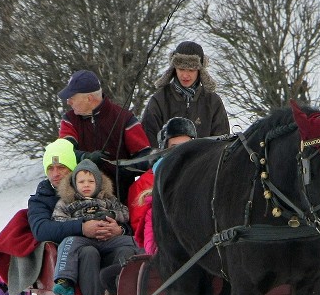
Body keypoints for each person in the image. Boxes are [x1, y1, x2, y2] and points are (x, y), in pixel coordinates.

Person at [29, 139, 130, 295]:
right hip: (73, 254)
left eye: (62, 167)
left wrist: (119, 230)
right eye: (50, 168)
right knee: (88, 253)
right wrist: (83, 228)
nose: (55, 173)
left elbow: (123, 216)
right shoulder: (42, 198)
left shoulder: (94, 190)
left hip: (108, 243)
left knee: (126, 248)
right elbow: (42, 229)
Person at [51, 159, 139, 295]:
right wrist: (80, 225)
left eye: (91, 181)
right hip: (84, 239)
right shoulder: (67, 202)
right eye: (81, 182)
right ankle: (64, 279)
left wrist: (115, 224)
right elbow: (58, 220)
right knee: (70, 243)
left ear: (99, 184)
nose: (86, 185)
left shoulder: (108, 199)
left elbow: (125, 213)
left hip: (108, 238)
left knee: (131, 243)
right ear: (74, 184)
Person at [58, 69, 152, 202]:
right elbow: (62, 152)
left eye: (72, 97)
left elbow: (146, 156)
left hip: (121, 201)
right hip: (79, 203)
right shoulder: (69, 120)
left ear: (89, 98)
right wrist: (86, 157)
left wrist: (125, 168)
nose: (68, 102)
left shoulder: (125, 119)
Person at [140, 41, 229, 148]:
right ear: (174, 68)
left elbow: (222, 142)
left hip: (203, 163)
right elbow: (147, 139)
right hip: (166, 163)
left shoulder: (213, 102)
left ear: (199, 70)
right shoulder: (160, 99)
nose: (185, 75)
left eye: (191, 70)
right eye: (181, 69)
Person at [127, 117, 198, 247]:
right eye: (174, 147)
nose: (181, 152)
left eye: (187, 146)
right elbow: (140, 226)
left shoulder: (201, 176)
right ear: (164, 149)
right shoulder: (145, 183)